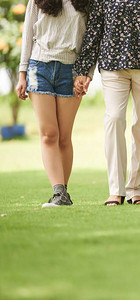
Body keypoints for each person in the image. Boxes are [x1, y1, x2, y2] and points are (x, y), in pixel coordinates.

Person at [73, 0, 140, 206]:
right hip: (113, 64)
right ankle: (116, 190)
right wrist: (84, 70)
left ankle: (136, 189)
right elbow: (95, 27)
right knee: (114, 119)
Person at [15, 0, 90, 207]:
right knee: (49, 134)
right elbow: (28, 36)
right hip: (40, 68)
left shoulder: (86, 2)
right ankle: (59, 194)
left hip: (71, 71)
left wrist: (87, 74)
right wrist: (22, 75)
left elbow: (92, 40)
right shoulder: (36, 1)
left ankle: (62, 195)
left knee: (64, 137)